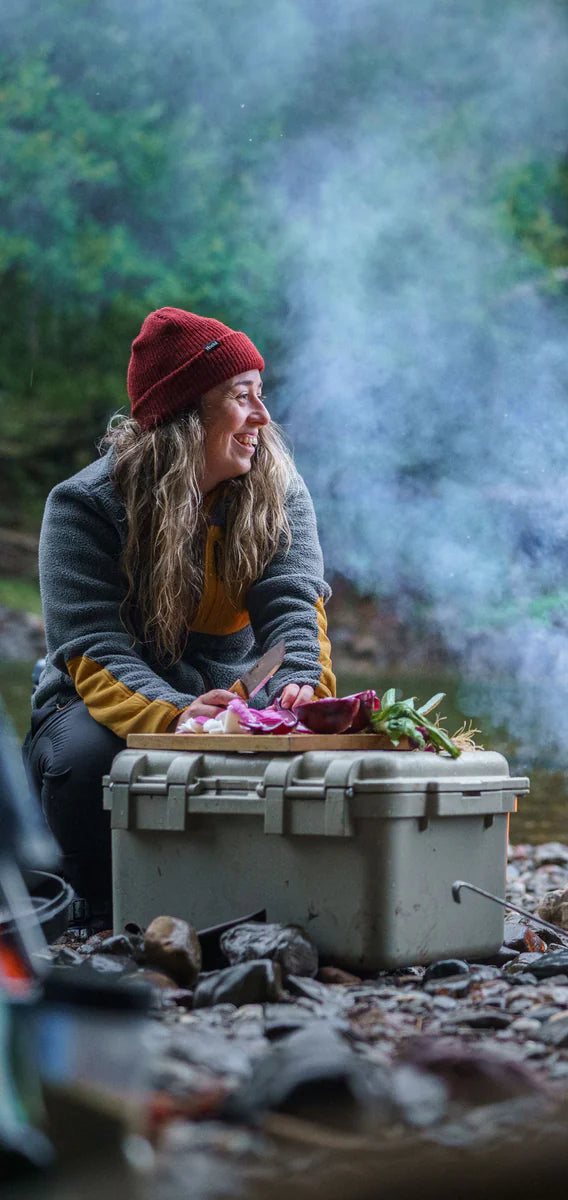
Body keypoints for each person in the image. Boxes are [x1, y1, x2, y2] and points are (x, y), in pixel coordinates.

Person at [25, 306, 337, 927]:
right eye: (240, 397)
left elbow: (294, 601)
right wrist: (173, 715)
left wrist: (300, 675)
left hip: (239, 700)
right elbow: (93, 647)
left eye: (260, 394)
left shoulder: (281, 490)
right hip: (101, 708)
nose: (262, 417)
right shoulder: (84, 507)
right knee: (82, 761)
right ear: (185, 415)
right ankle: (95, 902)